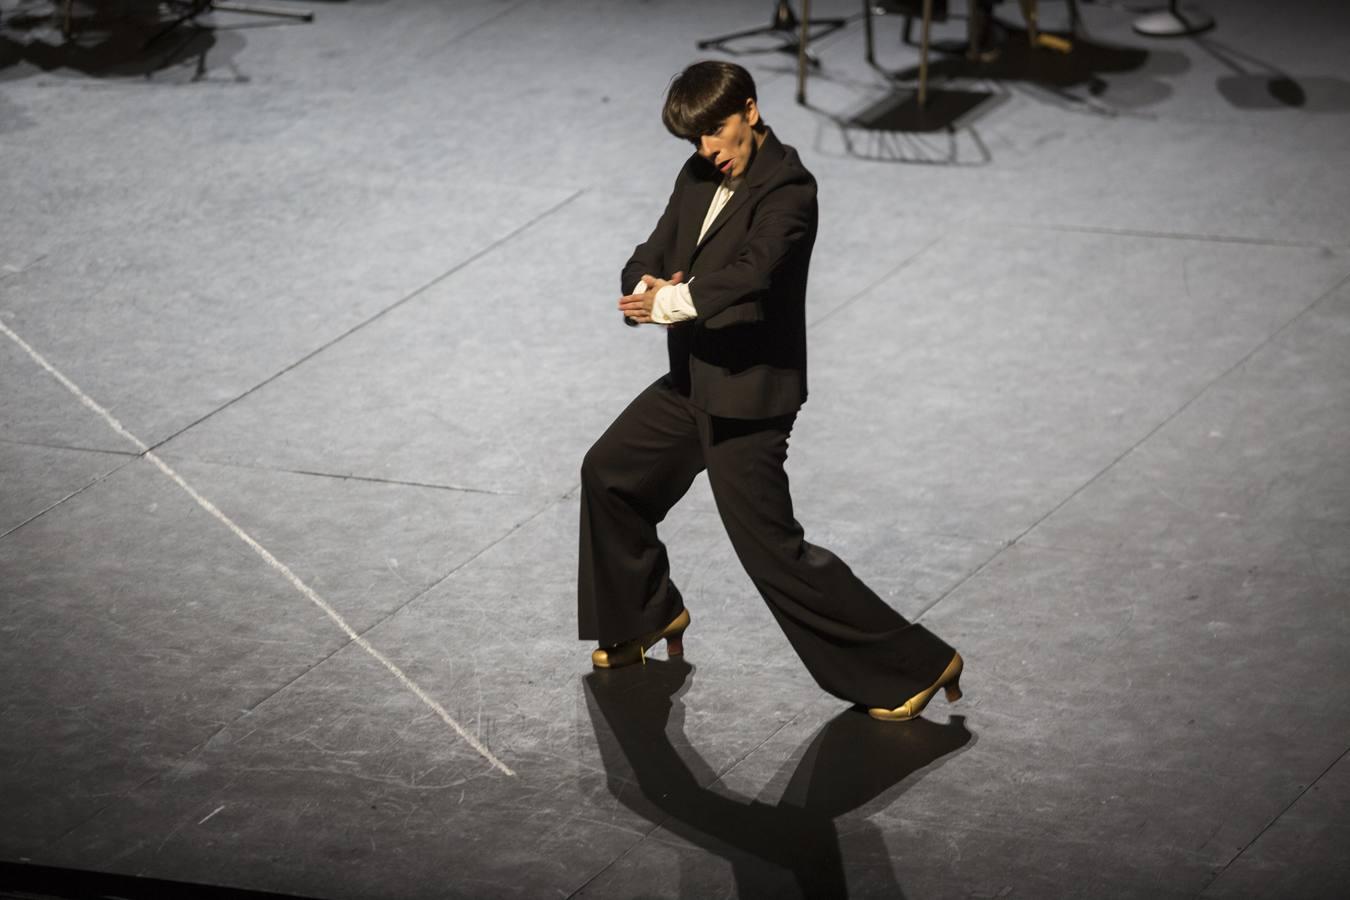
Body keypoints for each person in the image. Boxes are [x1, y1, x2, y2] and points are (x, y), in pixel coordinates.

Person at [577, 61, 963, 722]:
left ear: (750, 112)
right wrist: (643, 282)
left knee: (772, 553)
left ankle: (917, 666)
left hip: (748, 400)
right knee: (610, 474)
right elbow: (659, 242)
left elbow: (751, 276)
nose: (710, 151)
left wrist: (674, 303)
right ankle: (648, 615)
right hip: (693, 379)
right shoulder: (698, 173)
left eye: (719, 132)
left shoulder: (790, 189)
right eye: (698, 140)